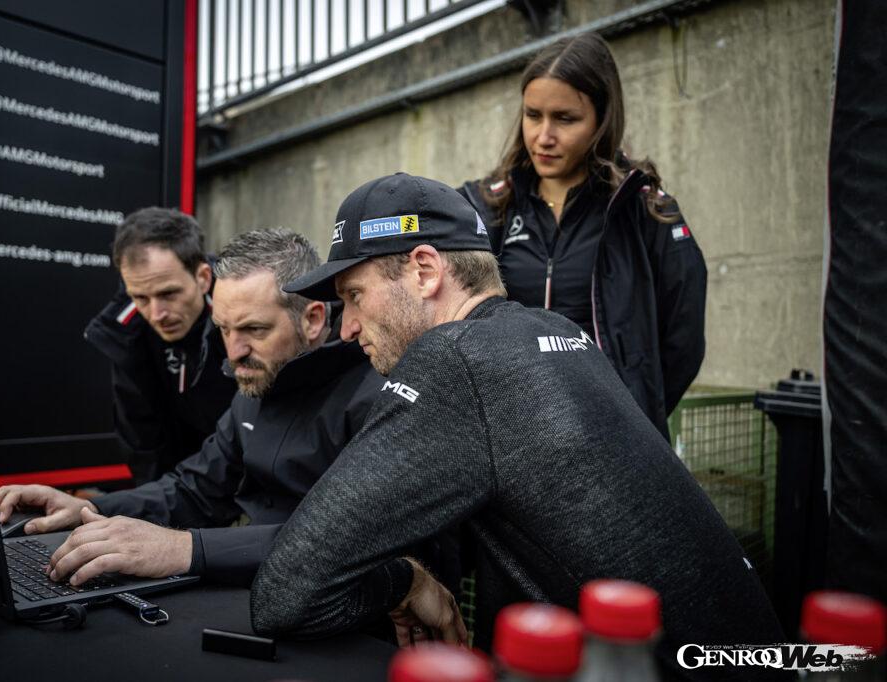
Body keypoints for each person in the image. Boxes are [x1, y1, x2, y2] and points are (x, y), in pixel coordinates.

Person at [251, 174, 786, 680]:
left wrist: (404, 580)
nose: (347, 328)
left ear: (424, 270)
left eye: (355, 295)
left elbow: (286, 591)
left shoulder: (456, 358)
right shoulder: (553, 330)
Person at [0, 229, 382, 586]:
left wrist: (183, 549)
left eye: (254, 330)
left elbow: (341, 540)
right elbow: (195, 491)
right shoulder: (258, 379)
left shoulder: (370, 397)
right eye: (224, 330)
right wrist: (89, 509)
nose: (234, 352)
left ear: (314, 319)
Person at [457, 33, 707, 440]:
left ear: (602, 119)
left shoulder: (643, 209)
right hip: (510, 436)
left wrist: (631, 412)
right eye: (533, 115)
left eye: (565, 119)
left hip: (610, 440)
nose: (543, 136)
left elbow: (684, 339)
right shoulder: (488, 205)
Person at [84, 207, 237, 484]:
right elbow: (143, 445)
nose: (156, 314)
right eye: (140, 297)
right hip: (178, 493)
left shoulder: (245, 309)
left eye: (169, 294)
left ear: (202, 278)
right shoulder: (123, 334)